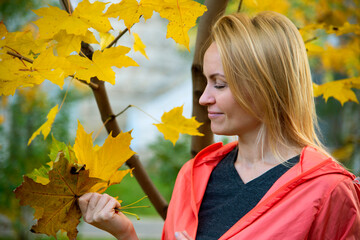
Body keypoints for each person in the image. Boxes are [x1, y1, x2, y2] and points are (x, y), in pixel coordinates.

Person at [78, 11, 360, 240]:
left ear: (265, 86)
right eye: (206, 83)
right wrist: (126, 234)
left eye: (220, 84)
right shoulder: (194, 175)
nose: (204, 98)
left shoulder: (329, 190)